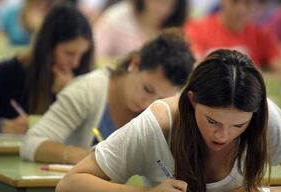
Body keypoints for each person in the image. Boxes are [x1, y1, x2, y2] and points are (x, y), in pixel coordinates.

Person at [56, 49, 281, 192]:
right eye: (212, 121)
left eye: (238, 126)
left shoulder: (264, 116)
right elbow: (69, 186)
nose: (223, 135)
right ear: (192, 100)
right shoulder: (158, 122)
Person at [20, 28, 195, 164]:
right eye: (147, 89)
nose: (148, 103)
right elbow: (31, 144)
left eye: (160, 99)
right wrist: (91, 158)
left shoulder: (170, 110)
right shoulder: (89, 90)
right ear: (134, 64)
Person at [0, 2, 94, 134]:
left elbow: (96, 132)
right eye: (69, 54)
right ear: (48, 47)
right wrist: (2, 126)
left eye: (82, 54)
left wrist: (71, 96)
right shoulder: (7, 73)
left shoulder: (81, 76)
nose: (76, 63)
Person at [184, 0, 281, 85]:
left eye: (248, 3)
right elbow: (195, 71)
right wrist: (252, 78)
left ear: (258, 6)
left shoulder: (263, 35)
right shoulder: (196, 29)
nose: (241, 9)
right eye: (235, 2)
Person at [94, 0, 187, 60]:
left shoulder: (174, 27)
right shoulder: (115, 19)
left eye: (170, 6)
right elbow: (94, 57)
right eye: (157, 2)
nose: (162, 10)